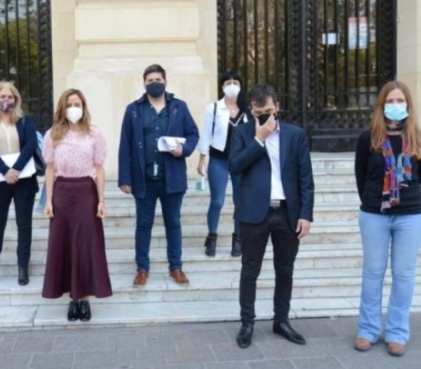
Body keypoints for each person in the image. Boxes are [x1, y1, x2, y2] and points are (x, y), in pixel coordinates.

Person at [229, 84, 314, 349]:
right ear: (251, 111)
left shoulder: (295, 135)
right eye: (258, 113)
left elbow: (305, 178)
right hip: (254, 213)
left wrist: (305, 214)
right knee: (250, 270)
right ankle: (247, 323)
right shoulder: (242, 133)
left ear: (277, 106)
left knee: (285, 270)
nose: (264, 116)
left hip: (287, 213)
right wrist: (259, 139)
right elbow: (235, 166)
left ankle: (281, 321)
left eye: (268, 110)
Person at [353, 80, 421, 357]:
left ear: (408, 105)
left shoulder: (420, 139)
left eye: (400, 101)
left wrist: (400, 197)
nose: (395, 106)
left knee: (404, 275)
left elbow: (420, 175)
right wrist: (375, 200)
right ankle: (368, 330)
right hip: (375, 214)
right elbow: (361, 176)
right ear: (381, 105)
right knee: (373, 273)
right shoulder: (368, 139)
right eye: (390, 101)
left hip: (410, 216)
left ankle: (397, 333)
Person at [118, 64, 200, 287]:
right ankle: (142, 269)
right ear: (144, 83)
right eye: (150, 80)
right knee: (143, 224)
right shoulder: (133, 110)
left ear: (165, 81)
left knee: (173, 222)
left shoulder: (179, 107)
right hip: (144, 179)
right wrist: (125, 178)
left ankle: (176, 267)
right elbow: (125, 145)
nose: (154, 83)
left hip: (171, 178)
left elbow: (193, 134)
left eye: (158, 79)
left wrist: (184, 149)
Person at [42, 89, 112, 321]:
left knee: (85, 245)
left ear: (83, 107)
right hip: (62, 192)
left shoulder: (94, 134)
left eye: (77, 104)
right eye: (70, 104)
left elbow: (99, 168)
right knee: (64, 245)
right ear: (62, 108)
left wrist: (101, 200)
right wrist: (49, 201)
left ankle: (85, 298)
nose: (74, 108)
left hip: (86, 193)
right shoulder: (53, 134)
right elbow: (50, 169)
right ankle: (72, 299)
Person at [0, 81, 39, 286]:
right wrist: (5, 171)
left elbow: (31, 144)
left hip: (23, 179)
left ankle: (23, 266)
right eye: (3, 97)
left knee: (24, 225)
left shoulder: (24, 120)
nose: (7, 100)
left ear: (16, 99)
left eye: (10, 97)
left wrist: (16, 169)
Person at [197, 71, 249, 257]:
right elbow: (206, 134)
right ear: (222, 86)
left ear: (241, 86)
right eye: (228, 82)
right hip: (219, 160)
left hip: (240, 161)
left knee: (239, 201)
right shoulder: (214, 108)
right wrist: (202, 159)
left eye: (236, 82)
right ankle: (211, 237)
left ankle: (238, 238)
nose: (232, 85)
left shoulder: (246, 109)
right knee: (217, 201)